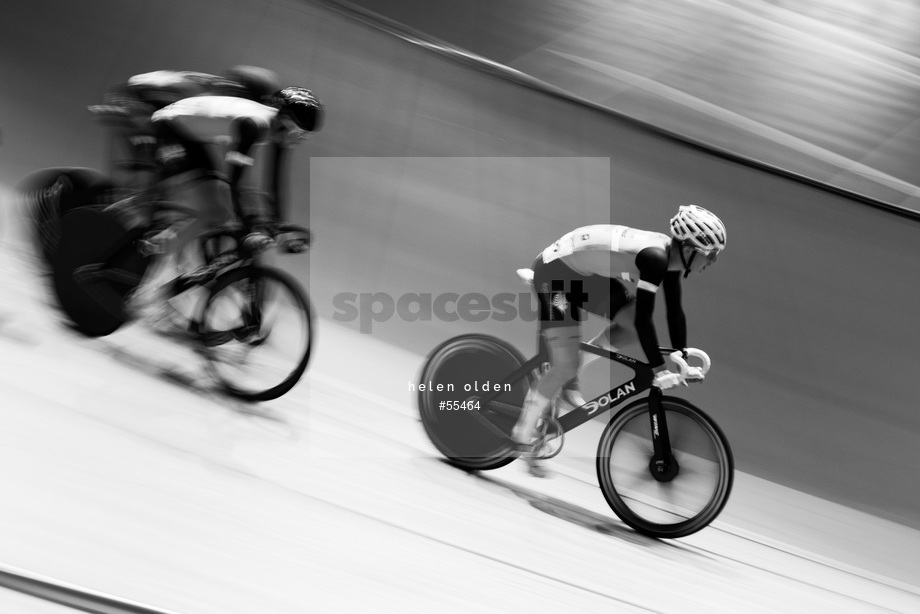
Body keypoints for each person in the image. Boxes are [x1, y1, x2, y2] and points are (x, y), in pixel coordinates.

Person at [511, 205, 726, 477]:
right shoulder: (656, 258)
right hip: (554, 275)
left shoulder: (671, 259)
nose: (713, 261)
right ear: (687, 249)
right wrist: (659, 370)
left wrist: (681, 354)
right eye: (710, 254)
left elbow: (674, 310)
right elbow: (646, 321)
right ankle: (521, 435)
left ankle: (570, 374)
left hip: (581, 272)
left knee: (630, 325)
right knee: (563, 365)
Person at [125, 84, 324, 323]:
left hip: (190, 136)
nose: (296, 140)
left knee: (218, 211)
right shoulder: (253, 124)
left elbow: (275, 184)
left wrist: (279, 225)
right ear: (283, 119)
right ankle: (150, 288)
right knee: (211, 209)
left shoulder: (276, 133)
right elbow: (236, 182)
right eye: (296, 133)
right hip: (169, 128)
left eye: (302, 136)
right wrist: (251, 224)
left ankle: (167, 257)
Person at [90, 66, 282, 191]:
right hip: (132, 102)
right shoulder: (210, 94)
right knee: (155, 171)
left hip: (147, 104)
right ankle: (127, 202)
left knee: (180, 166)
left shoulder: (227, 101)